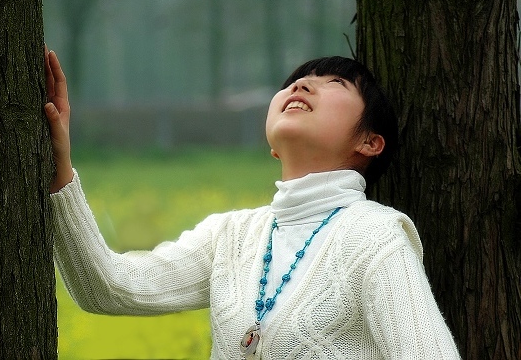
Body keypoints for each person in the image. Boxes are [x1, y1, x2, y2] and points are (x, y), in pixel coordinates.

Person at [43, 47, 461, 360]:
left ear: (369, 142)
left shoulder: (375, 236)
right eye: (295, 82)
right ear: (273, 147)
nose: (300, 85)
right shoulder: (232, 235)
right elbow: (107, 288)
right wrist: (59, 165)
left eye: (335, 83)